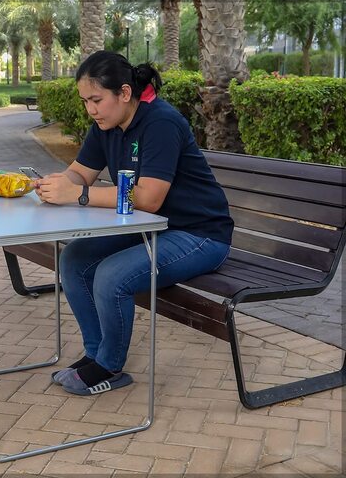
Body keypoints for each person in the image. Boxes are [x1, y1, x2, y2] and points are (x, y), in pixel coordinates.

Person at [34, 50, 233, 396]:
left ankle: (110, 367)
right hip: (152, 227)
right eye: (85, 101)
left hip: (199, 235)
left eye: (97, 99)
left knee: (112, 275)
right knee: (75, 259)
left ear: (125, 93)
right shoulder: (106, 124)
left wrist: (78, 195)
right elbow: (80, 172)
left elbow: (148, 197)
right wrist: (56, 184)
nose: (91, 109)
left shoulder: (161, 123)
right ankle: (96, 354)